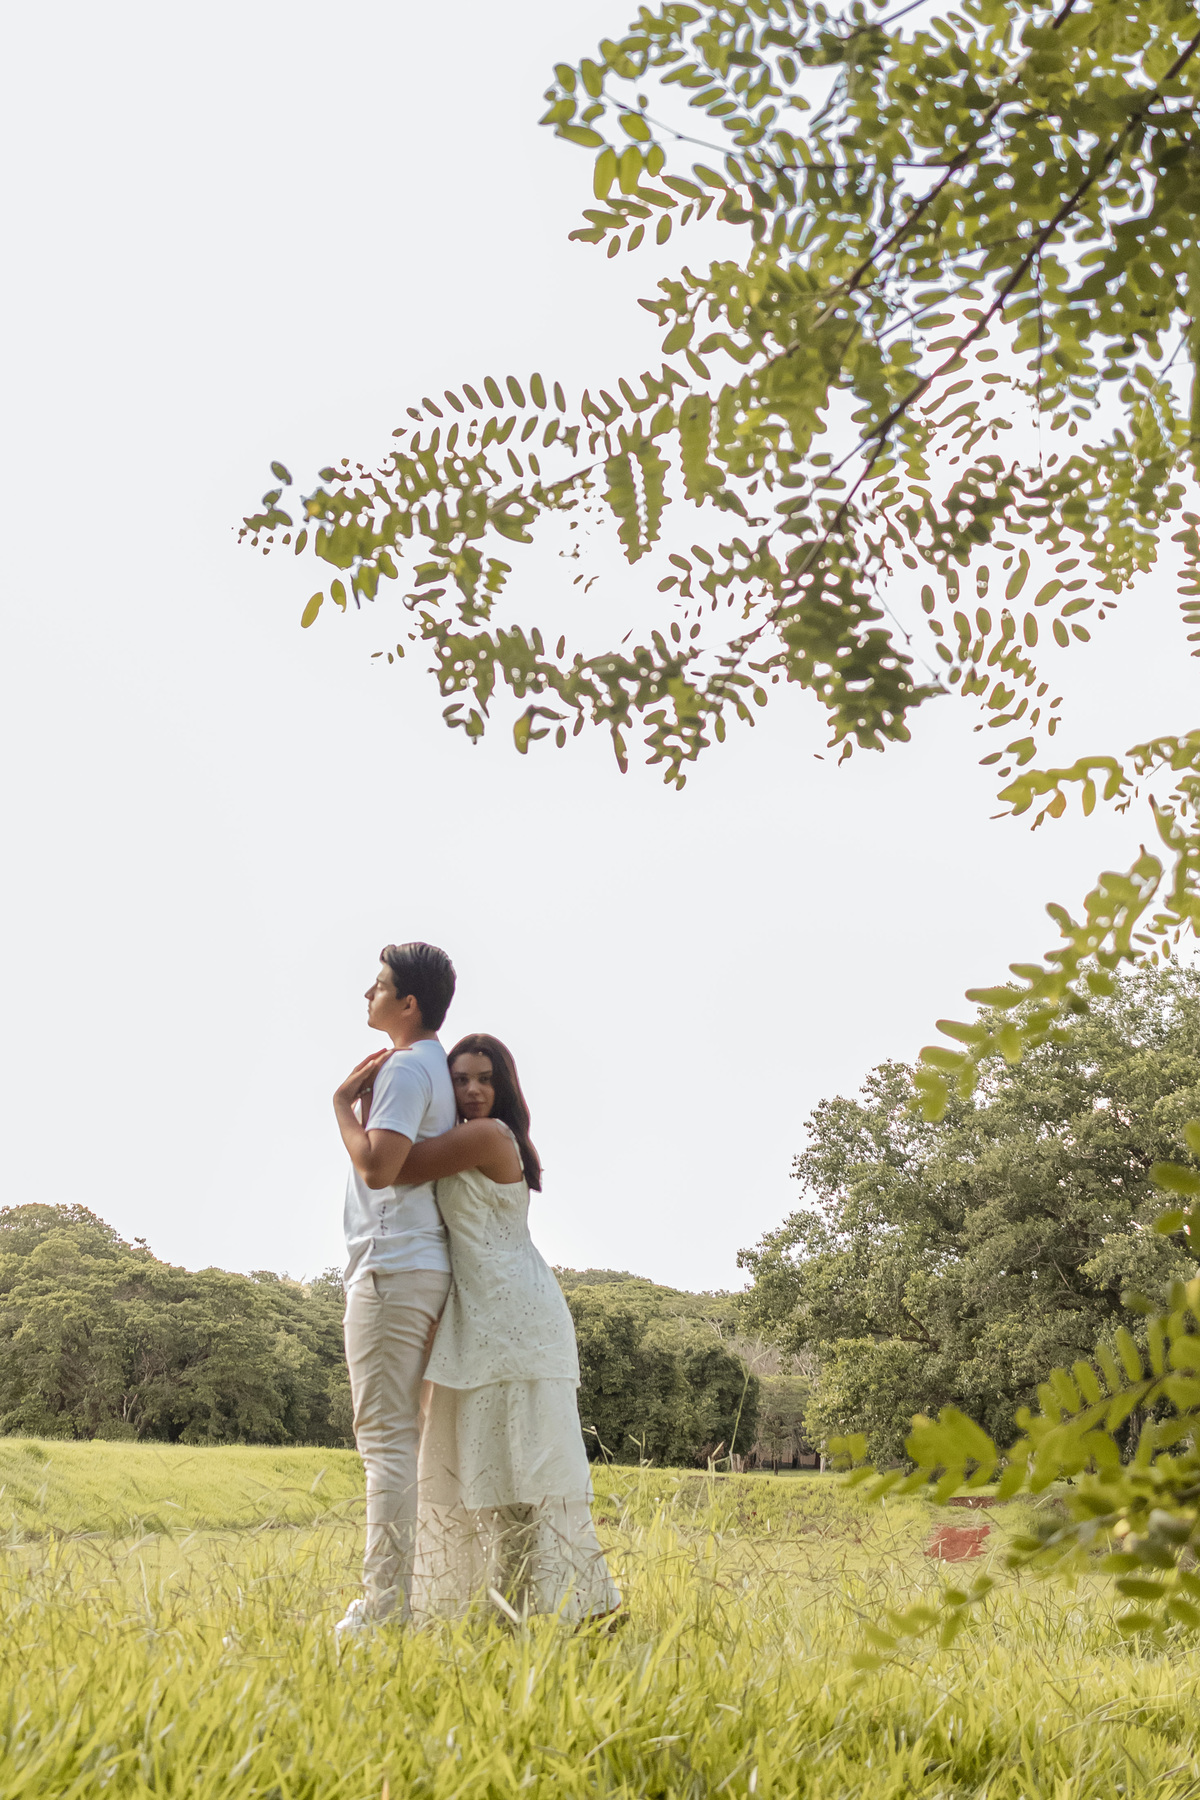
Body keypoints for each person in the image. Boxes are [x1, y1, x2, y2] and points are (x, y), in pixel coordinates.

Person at [395, 1033, 621, 1623]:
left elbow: (391, 1164)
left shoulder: (490, 1137)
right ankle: (508, 1615)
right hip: (477, 1328)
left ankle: (588, 1613)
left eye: (485, 1079)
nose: (472, 1090)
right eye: (461, 1079)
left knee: (540, 1484)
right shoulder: (465, 1137)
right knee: (491, 1484)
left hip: (521, 1321)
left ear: (504, 1089)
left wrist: (346, 1107)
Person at [331, 941, 458, 1639]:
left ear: (408, 1003)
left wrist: (341, 1106)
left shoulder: (407, 1069)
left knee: (385, 1442)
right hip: (421, 1266)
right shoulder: (432, 1067)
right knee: (407, 1442)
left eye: (378, 986)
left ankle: (383, 1610)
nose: (367, 995)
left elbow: (380, 1168)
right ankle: (413, 1596)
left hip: (391, 1266)